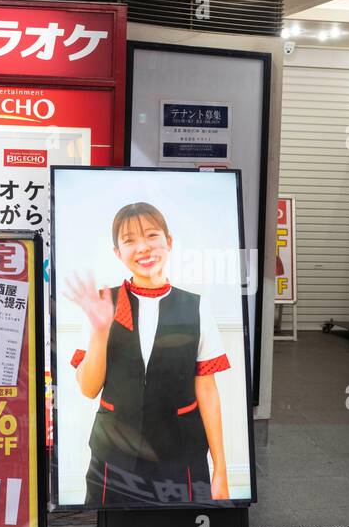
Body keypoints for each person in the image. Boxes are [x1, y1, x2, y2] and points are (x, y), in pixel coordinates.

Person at [64, 202, 231, 506]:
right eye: (129, 240)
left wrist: (221, 468)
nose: (143, 247)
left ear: (169, 242)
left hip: (181, 454)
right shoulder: (103, 302)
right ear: (117, 252)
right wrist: (100, 331)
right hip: (114, 457)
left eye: (152, 236)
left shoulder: (195, 306)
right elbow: (88, 389)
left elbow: (206, 388)